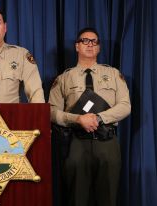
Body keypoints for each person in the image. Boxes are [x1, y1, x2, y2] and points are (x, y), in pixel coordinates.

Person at [49, 27, 131, 206]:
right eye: (85, 41)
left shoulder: (114, 74)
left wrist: (99, 118)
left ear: (99, 48)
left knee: (108, 198)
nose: (90, 44)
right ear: (77, 46)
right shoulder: (64, 78)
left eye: (94, 41)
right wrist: (77, 119)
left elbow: (125, 106)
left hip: (107, 142)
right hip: (76, 143)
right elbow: (51, 112)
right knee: (77, 198)